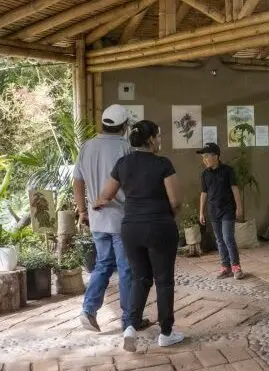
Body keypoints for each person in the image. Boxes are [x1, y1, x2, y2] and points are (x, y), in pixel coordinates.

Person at [94, 120, 183, 352]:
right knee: (164, 280)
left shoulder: (123, 163)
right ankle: (166, 333)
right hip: (159, 226)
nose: (160, 140)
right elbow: (175, 201)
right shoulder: (163, 164)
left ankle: (130, 327)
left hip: (131, 228)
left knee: (140, 278)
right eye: (159, 136)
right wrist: (167, 215)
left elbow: (105, 195)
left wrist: (97, 205)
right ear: (151, 139)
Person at [73, 104, 151, 333]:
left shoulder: (86, 147)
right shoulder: (126, 149)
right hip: (121, 219)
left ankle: (88, 310)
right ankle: (129, 320)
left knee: (102, 265)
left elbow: (77, 181)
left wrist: (82, 211)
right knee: (126, 269)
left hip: (97, 219)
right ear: (125, 126)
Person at [196, 142, 244, 280]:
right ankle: (225, 267)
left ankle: (236, 267)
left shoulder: (228, 170)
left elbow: (235, 189)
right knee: (219, 240)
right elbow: (203, 193)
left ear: (215, 156)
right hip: (213, 211)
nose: (204, 159)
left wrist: (239, 208)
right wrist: (201, 212)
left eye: (206, 156)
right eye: (203, 157)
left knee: (228, 238)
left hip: (228, 210)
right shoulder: (204, 174)